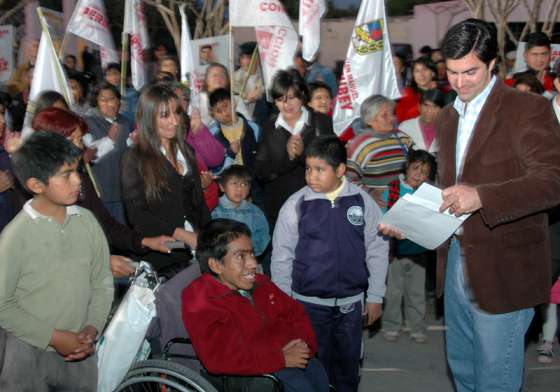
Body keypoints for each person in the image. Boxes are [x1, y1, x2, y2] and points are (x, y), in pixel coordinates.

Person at [380, 19, 560, 391]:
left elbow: (552, 181)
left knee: (496, 379)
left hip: (505, 264)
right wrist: (413, 219)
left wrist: (483, 196)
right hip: (455, 257)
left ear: (494, 64)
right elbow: (450, 188)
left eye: (471, 71)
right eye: (453, 72)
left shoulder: (527, 110)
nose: (460, 82)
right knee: (463, 370)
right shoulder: (448, 116)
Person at [272, 137, 389, 392]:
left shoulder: (362, 202)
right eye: (308, 169)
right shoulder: (296, 205)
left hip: (351, 304)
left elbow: (377, 248)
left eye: (319, 169)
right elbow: (282, 255)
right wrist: (284, 303)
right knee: (314, 371)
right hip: (307, 305)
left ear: (339, 170)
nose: (311, 176)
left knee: (347, 370)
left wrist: (376, 295)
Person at [0, 131, 113, 390]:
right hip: (27, 353)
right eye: (66, 175)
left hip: (81, 351)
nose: (77, 180)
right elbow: (3, 304)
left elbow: (102, 281)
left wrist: (92, 326)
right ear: (36, 185)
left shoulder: (86, 222)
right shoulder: (16, 236)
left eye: (77, 171)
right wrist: (53, 337)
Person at [182, 219, 329, 392]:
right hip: (246, 373)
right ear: (216, 265)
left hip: (281, 354)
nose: (253, 264)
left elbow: (295, 313)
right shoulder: (201, 299)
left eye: (251, 253)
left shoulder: (261, 283)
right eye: (240, 257)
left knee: (318, 374)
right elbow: (220, 357)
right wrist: (281, 358)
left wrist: (303, 345)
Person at [31, 107, 174, 278]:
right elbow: (51, 254)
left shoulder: (81, 180)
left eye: (79, 139)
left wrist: (146, 242)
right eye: (71, 139)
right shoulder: (38, 191)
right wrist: (101, 262)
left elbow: (107, 226)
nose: (78, 146)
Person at [121, 83, 210, 278]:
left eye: (176, 113)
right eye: (165, 115)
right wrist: (180, 234)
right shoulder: (134, 158)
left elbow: (199, 201)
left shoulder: (186, 151)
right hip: (164, 252)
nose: (174, 121)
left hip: (198, 248)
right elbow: (137, 214)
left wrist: (207, 237)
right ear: (148, 118)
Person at [255, 69, 334, 227]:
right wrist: (290, 158)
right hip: (281, 208)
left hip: (316, 204)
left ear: (303, 96)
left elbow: (332, 163)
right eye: (280, 99)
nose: (286, 104)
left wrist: (302, 155)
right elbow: (261, 172)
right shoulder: (269, 126)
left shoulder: (321, 122)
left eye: (291, 98)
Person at [381, 150, 437, 344]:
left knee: (416, 293)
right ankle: (390, 325)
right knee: (393, 292)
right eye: (415, 168)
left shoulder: (429, 195)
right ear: (406, 167)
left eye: (424, 172)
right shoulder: (393, 189)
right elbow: (382, 216)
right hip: (395, 252)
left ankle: (417, 327)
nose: (418, 174)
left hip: (419, 253)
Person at [346, 94, 413, 208]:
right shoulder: (360, 145)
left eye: (392, 113)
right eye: (384, 115)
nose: (391, 118)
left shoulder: (404, 139)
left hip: (404, 203)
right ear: (370, 120)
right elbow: (348, 179)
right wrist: (369, 193)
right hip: (375, 206)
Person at [84, 82, 134, 223]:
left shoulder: (125, 122)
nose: (110, 104)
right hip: (104, 189)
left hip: (125, 188)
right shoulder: (88, 123)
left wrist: (134, 142)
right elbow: (92, 157)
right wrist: (109, 139)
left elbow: (127, 149)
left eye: (112, 99)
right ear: (97, 103)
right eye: (104, 100)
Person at [211, 165, 270, 257]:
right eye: (234, 183)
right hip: (223, 260)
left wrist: (247, 251)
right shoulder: (215, 210)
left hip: (249, 258)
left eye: (244, 184)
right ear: (222, 187)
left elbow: (263, 236)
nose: (239, 189)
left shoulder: (255, 212)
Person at [208, 88, 260, 175]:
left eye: (226, 106)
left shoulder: (254, 128)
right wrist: (230, 154)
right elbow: (214, 171)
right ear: (213, 115)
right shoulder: (211, 135)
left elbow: (260, 160)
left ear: (234, 103)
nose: (224, 112)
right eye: (218, 111)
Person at [197, 62, 252, 127]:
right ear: (206, 80)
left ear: (227, 81)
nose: (218, 78)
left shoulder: (235, 99)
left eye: (222, 75)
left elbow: (248, 122)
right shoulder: (199, 100)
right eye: (215, 75)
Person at [398, 89, 445, 154]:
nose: (429, 110)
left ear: (442, 110)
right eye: (426, 105)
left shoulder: (448, 129)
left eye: (435, 106)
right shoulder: (405, 127)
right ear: (419, 107)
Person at [232, 41, 264, 117]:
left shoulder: (264, 75)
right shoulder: (234, 77)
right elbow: (236, 93)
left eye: (249, 58)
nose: (246, 62)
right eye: (243, 58)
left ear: (257, 58)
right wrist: (246, 96)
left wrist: (261, 93)